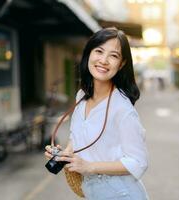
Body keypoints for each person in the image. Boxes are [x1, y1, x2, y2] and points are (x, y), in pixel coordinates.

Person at [45, 27, 149, 200]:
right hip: (92, 192)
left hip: (121, 194)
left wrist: (89, 167)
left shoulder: (122, 109)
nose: (104, 60)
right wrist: (63, 154)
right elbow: (77, 137)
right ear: (89, 54)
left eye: (113, 56)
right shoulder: (81, 96)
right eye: (99, 51)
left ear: (122, 63)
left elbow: (139, 162)